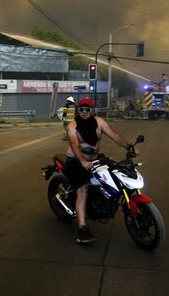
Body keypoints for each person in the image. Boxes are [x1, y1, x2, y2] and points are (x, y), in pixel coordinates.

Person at [65, 98, 138, 244]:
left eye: (87, 109)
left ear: (92, 110)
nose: (84, 112)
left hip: (93, 159)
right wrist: (83, 161)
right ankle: (82, 230)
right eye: (81, 109)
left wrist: (129, 147)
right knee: (83, 191)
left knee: (112, 175)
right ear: (78, 111)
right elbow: (75, 146)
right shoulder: (72, 126)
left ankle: (100, 205)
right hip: (76, 161)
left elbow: (115, 136)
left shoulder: (99, 122)